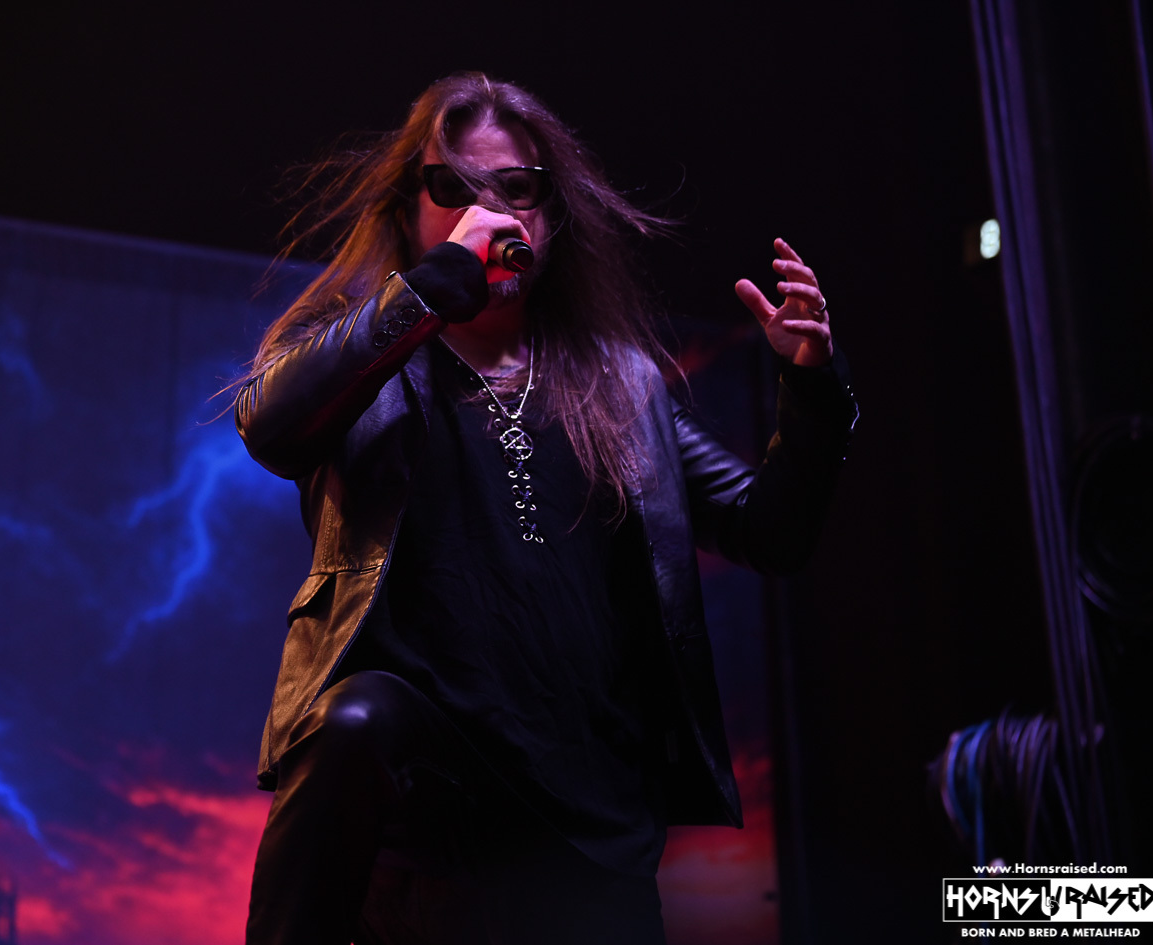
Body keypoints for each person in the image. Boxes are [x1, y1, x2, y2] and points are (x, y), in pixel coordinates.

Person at [234, 71, 857, 945]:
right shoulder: (368, 359)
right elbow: (270, 426)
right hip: (432, 811)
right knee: (354, 718)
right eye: (451, 187)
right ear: (408, 210)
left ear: (550, 217)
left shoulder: (623, 385)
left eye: (515, 189)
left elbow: (772, 529)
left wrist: (811, 386)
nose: (485, 211)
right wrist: (430, 289)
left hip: (587, 824)